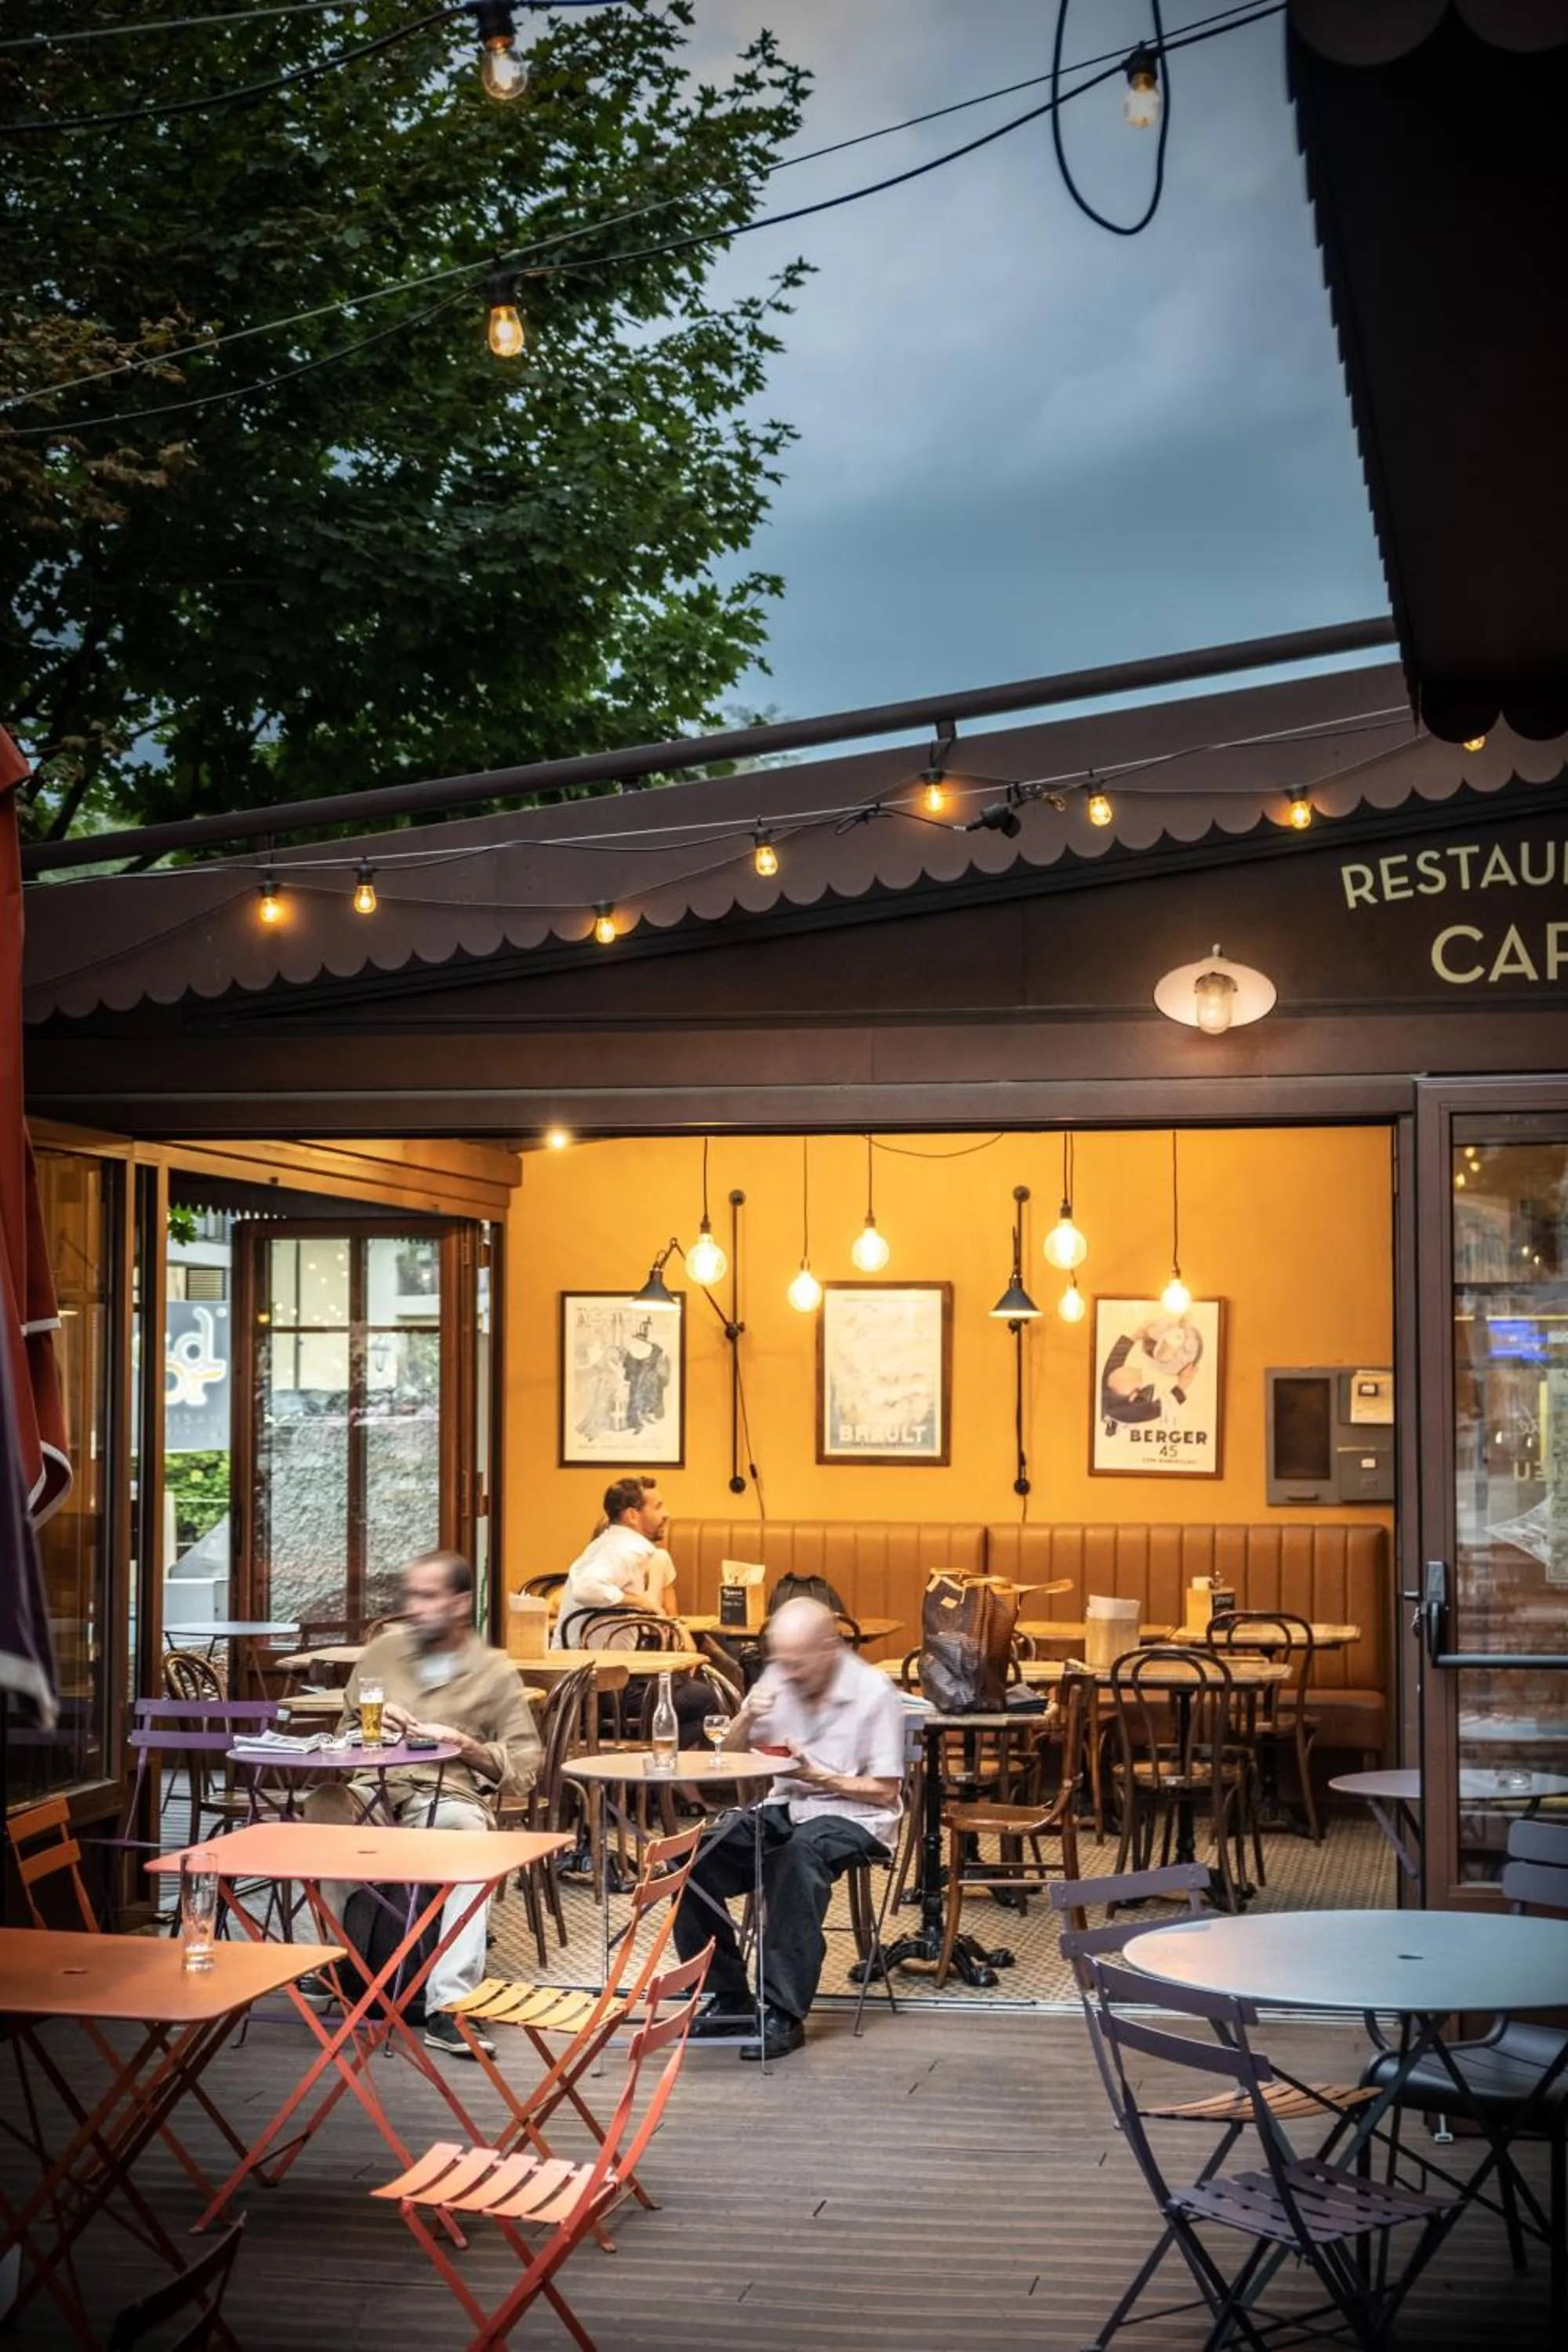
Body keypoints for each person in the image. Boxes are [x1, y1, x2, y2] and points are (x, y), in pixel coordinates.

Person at [303, 1549, 540, 2060]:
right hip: (374, 1788)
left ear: (459, 1604)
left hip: (445, 1794)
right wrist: (370, 1729)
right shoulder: (383, 1652)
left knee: (473, 1842)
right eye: (411, 1595)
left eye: (428, 1596)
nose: (414, 1607)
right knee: (324, 1803)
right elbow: (344, 1733)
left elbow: (525, 1765)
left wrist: (465, 1743)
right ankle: (336, 1960)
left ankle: (449, 2005)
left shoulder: (494, 1671)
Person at [672, 1596, 906, 2062]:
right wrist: (747, 1716)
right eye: (782, 1661)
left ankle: (782, 2011)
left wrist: (819, 1776)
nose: (790, 1673)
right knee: (692, 1859)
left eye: (799, 1663)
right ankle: (729, 1999)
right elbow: (734, 1758)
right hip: (787, 1803)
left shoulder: (874, 1692)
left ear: (829, 1648)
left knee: (794, 1858)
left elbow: (883, 1790)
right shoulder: (780, 1676)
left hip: (857, 1816)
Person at [554, 1475, 677, 1647]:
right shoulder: (624, 1550)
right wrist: (642, 1602)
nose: (666, 1514)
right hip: (593, 1668)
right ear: (632, 1516)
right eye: (658, 1507)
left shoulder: (609, 1543)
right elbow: (586, 1589)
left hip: (585, 1663)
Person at [1101, 1312, 1203, 1428]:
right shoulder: (1127, 1412)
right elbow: (1160, 1408)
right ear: (1134, 1396)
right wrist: (1182, 1385)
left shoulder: (1108, 1382)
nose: (1141, 1371)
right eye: (1139, 1377)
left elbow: (1114, 1361)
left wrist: (1134, 1337)